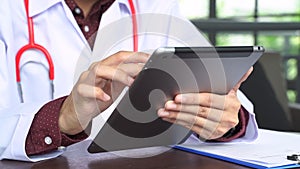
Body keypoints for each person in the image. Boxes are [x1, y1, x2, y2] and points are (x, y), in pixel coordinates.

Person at [0, 0, 258, 162]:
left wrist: (225, 119)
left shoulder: (156, 6)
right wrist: (61, 119)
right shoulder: (7, 11)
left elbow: (226, 98)